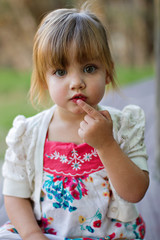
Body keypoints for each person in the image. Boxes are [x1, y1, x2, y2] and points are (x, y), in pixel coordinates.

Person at [0, 2, 149, 240]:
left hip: (107, 235)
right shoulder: (28, 133)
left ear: (108, 72)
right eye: (60, 72)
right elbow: (14, 194)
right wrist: (31, 233)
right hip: (47, 234)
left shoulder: (123, 126)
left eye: (89, 68)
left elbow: (135, 192)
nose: (76, 82)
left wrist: (106, 145)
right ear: (43, 79)